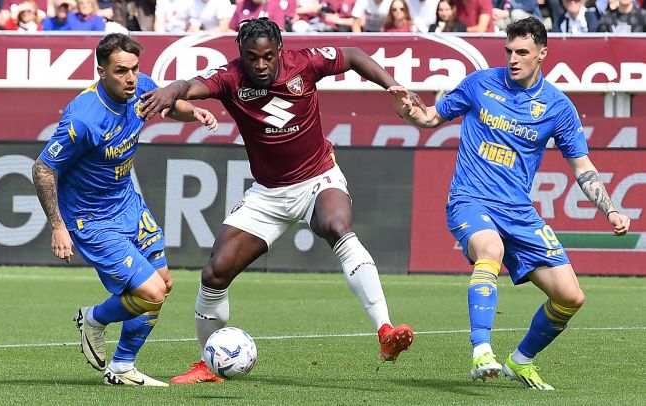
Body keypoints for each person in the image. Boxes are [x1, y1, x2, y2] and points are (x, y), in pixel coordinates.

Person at [139, 17, 417, 384]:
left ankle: (384, 330)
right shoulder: (230, 78)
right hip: (268, 193)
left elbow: (351, 55)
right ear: (241, 54)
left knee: (336, 226)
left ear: (279, 51)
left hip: (319, 178)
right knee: (215, 272)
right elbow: (192, 85)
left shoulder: (305, 63)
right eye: (252, 58)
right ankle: (207, 365)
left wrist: (392, 85)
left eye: (268, 57)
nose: (261, 65)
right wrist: (171, 90)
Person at [388, 17, 630, 390]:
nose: (513, 59)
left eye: (522, 52)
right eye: (509, 51)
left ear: (542, 54)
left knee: (570, 296)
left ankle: (521, 360)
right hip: (470, 199)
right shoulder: (480, 84)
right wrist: (410, 112)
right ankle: (482, 351)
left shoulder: (558, 107)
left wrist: (610, 209)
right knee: (491, 248)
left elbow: (582, 167)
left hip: (518, 211)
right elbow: (431, 117)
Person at [32, 33, 218, 387]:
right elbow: (42, 169)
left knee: (163, 284)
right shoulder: (84, 118)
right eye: (121, 71)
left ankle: (121, 367)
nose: (131, 78)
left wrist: (192, 111)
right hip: (92, 219)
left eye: (134, 69)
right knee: (150, 293)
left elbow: (165, 103)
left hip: (128, 204)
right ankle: (94, 319)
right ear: (101, 71)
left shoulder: (139, 87)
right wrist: (58, 227)